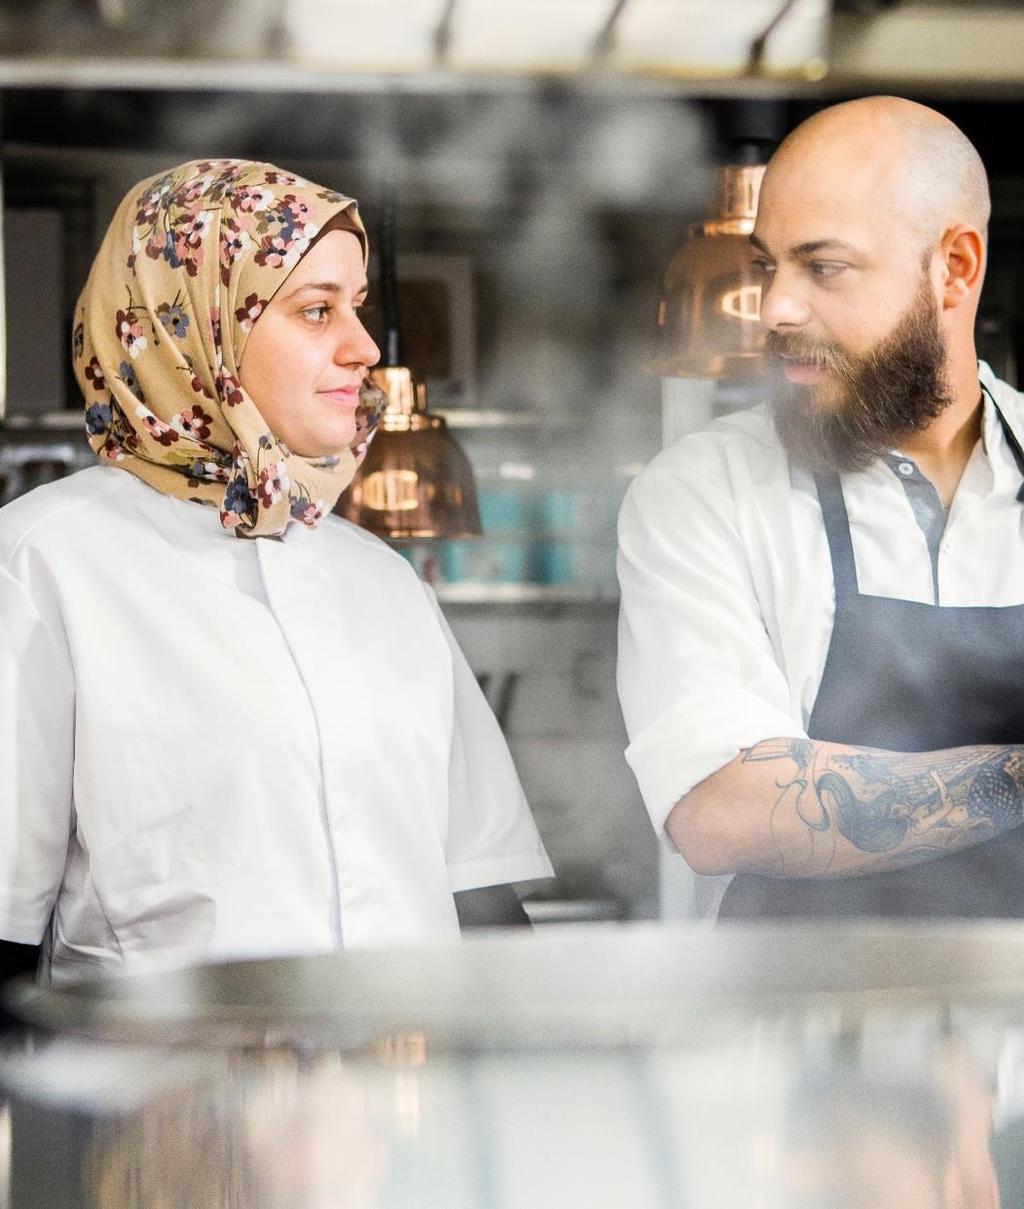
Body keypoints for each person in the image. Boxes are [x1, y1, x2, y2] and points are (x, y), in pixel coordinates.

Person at [0, 159, 552, 987]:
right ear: (196, 327)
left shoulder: (381, 578)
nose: (364, 348)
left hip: (405, 1101)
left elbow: (477, 894)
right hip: (160, 1107)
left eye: (355, 307)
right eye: (316, 310)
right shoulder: (45, 559)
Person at [617, 96, 1024, 920]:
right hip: (790, 1034)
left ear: (955, 267)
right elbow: (721, 808)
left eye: (824, 267)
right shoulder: (705, 489)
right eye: (768, 266)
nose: (775, 310)